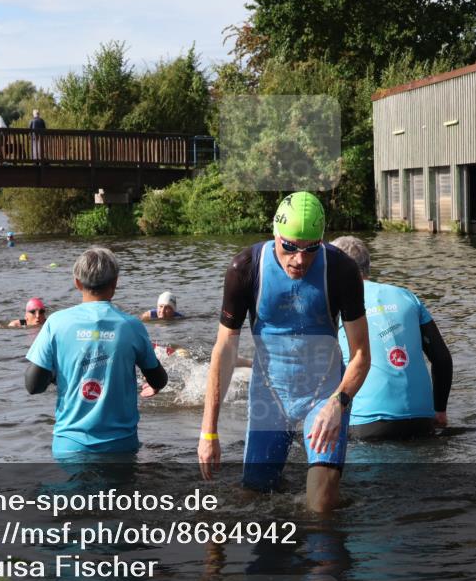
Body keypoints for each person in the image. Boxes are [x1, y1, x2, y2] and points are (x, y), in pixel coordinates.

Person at [198, 192, 370, 513]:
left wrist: (339, 402)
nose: (299, 259)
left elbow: (361, 354)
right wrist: (209, 431)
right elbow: (223, 351)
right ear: (275, 233)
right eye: (289, 247)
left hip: (325, 395)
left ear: (321, 241)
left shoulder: (340, 270)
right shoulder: (245, 268)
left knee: (321, 508)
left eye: (310, 249)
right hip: (270, 395)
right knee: (255, 502)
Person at [25, 247, 168, 458]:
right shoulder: (131, 326)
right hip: (120, 446)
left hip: (69, 446)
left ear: (77, 282)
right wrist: (154, 385)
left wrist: (56, 375)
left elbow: (33, 386)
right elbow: (159, 378)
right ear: (115, 283)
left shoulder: (56, 323)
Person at [329, 237, 453, 439]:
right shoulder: (407, 295)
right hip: (422, 420)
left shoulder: (336, 303)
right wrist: (439, 411)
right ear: (367, 266)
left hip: (366, 426)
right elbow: (442, 358)